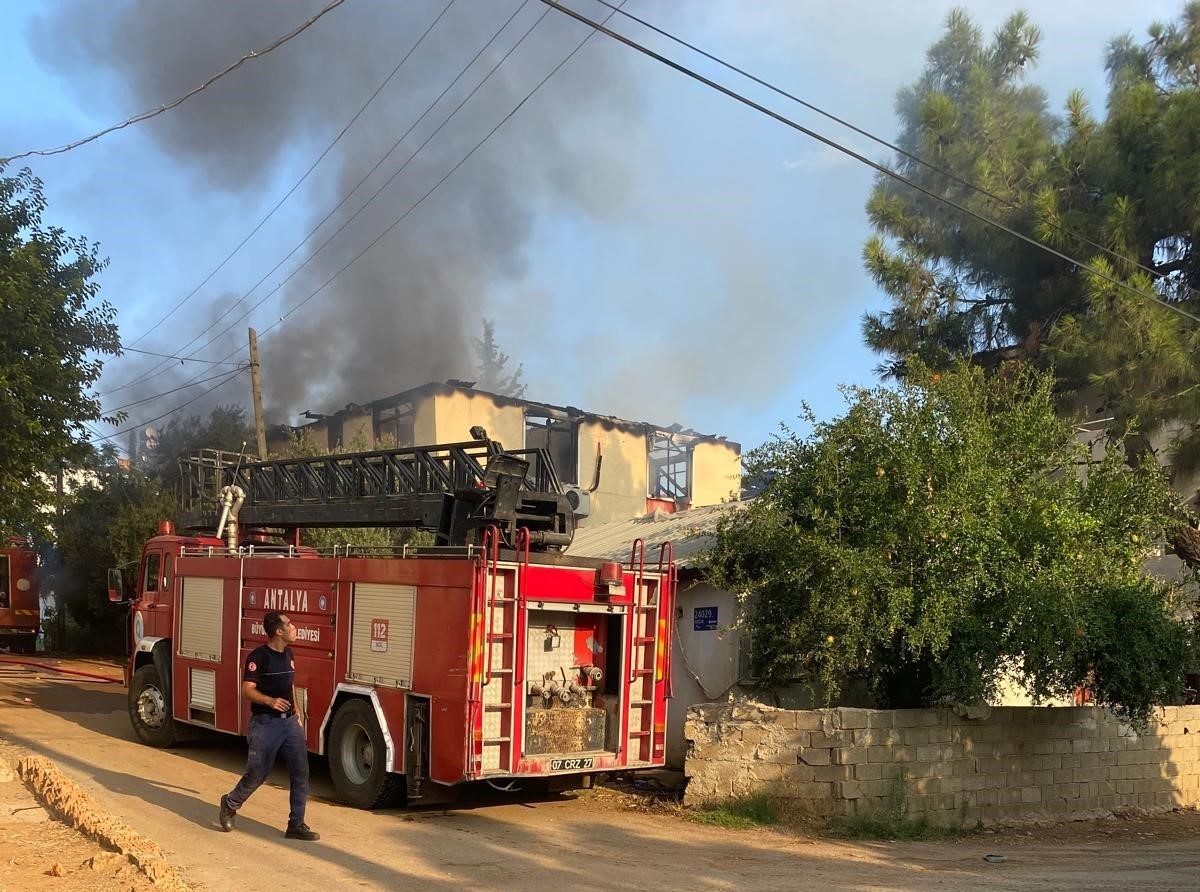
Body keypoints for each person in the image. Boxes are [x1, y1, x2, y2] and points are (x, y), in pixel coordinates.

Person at [218, 611, 319, 840]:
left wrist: (297, 712)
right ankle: (230, 804)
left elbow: (289, 685)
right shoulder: (258, 657)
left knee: (301, 772)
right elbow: (247, 690)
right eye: (289, 624)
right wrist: (270, 701)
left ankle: (296, 824)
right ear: (278, 631)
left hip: (289, 723)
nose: (294, 627)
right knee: (257, 773)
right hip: (265, 725)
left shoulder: (289, 654)